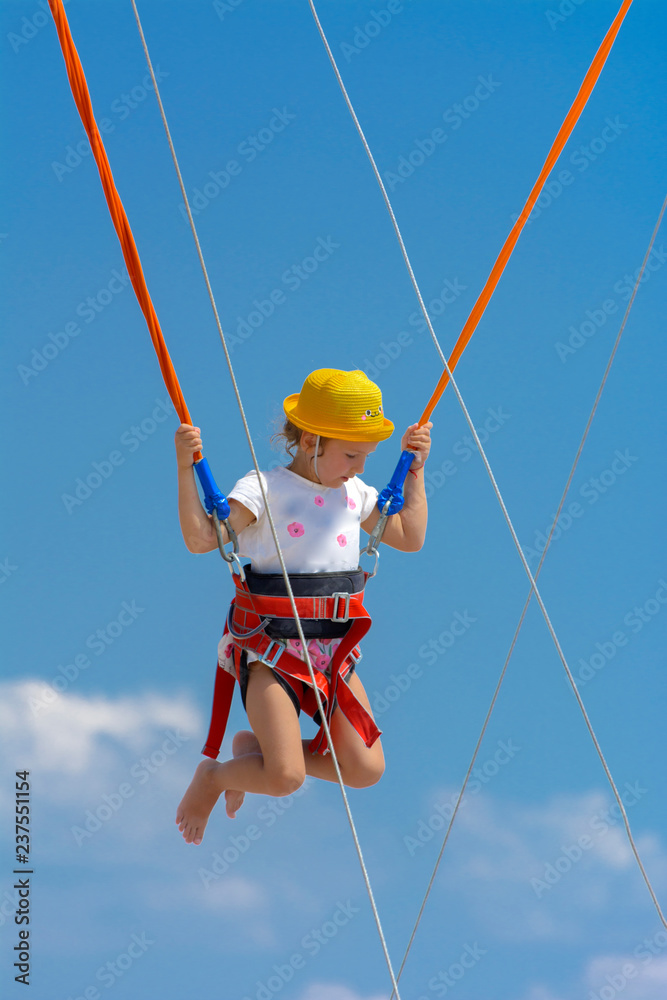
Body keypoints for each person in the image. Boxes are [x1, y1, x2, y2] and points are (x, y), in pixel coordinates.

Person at [175, 368, 431, 844]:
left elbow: (409, 537)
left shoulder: (355, 494)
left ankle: (258, 754)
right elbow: (201, 538)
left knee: (364, 768)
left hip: (333, 656)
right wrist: (184, 467)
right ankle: (215, 777)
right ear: (312, 439)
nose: (358, 466)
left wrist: (414, 474)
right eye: (351, 453)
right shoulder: (265, 489)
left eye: (366, 456)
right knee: (284, 778)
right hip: (272, 654)